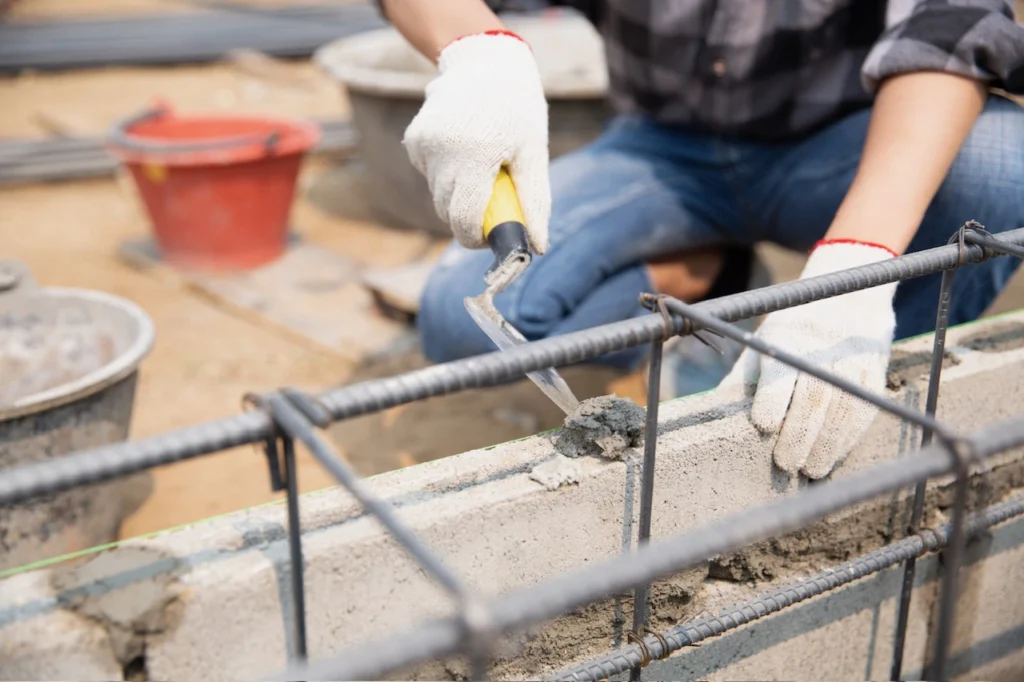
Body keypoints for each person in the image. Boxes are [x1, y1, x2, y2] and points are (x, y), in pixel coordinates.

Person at [373, 0, 1024, 479]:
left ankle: (857, 397)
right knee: (460, 320)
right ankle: (707, 277)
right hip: (664, 154)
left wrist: (858, 263)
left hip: (838, 144)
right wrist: (478, 48)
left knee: (1002, 165)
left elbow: (951, 26)